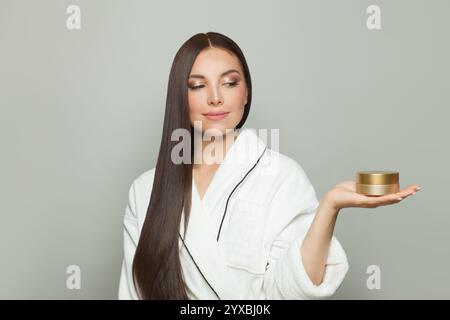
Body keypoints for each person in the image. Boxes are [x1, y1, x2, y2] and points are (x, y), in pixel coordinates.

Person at [118, 32, 420, 300]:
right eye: (198, 86)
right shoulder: (145, 190)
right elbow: (133, 293)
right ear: (180, 97)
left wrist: (329, 207)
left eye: (229, 82)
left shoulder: (283, 177)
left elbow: (294, 289)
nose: (215, 98)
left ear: (246, 92)